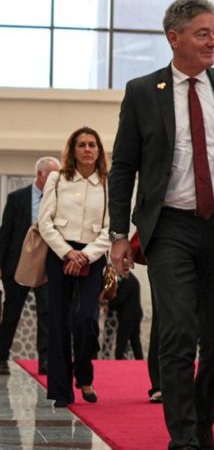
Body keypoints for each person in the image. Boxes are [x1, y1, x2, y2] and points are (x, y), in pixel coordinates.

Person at [108, 0, 214, 449]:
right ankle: (183, 439)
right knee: (178, 332)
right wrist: (118, 234)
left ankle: (201, 424)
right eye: (203, 34)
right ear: (174, 38)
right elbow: (123, 168)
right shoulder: (143, 92)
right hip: (169, 229)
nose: (213, 41)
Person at [38, 127, 111, 408]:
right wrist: (67, 252)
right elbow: (45, 222)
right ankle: (61, 390)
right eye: (82, 145)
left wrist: (84, 256)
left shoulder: (107, 182)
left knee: (87, 319)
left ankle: (84, 374)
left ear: (99, 151)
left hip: (92, 257)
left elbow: (110, 228)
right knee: (58, 322)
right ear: (73, 150)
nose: (87, 149)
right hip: (60, 254)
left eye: (92, 144)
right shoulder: (57, 179)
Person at [0, 156, 59, 376]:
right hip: (18, 265)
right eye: (52, 175)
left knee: (47, 312)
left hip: (47, 265)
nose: (56, 180)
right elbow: (5, 234)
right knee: (11, 312)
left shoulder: (59, 199)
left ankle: (45, 360)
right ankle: (1, 357)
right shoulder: (17, 198)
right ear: (39, 174)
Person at [107, 271, 144, 360]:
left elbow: (120, 299)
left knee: (121, 342)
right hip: (135, 315)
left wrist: (109, 306)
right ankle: (141, 363)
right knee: (135, 341)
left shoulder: (127, 280)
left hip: (128, 317)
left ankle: (118, 362)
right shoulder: (133, 279)